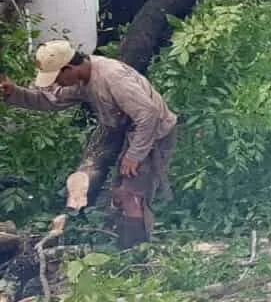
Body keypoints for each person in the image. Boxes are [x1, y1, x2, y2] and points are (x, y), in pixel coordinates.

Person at [0, 40, 177, 247]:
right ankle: (123, 246)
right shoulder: (80, 79)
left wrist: (134, 155)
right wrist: (14, 93)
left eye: (57, 77)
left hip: (153, 133)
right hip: (127, 131)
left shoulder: (112, 76)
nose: (56, 83)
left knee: (131, 195)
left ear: (69, 68)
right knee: (118, 196)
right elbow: (49, 100)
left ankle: (136, 256)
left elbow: (149, 115)